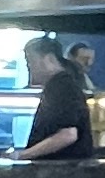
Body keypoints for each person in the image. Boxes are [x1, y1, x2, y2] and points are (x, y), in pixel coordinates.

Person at [20, 34, 95, 162]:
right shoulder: (62, 84)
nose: (29, 67)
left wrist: (22, 155)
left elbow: (68, 135)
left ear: (48, 59)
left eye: (30, 61)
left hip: (63, 171)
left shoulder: (62, 86)